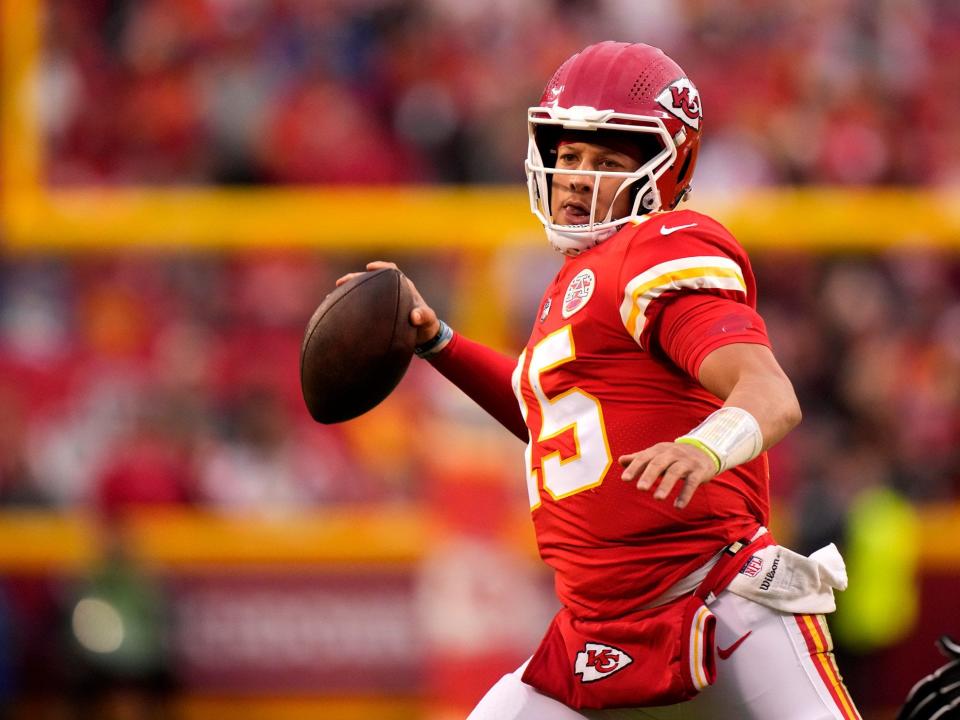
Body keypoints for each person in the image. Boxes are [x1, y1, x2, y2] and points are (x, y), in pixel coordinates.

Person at [339, 41, 861, 719]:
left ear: (668, 170)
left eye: (608, 161)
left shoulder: (659, 247)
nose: (581, 176)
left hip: (716, 602)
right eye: (572, 156)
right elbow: (552, 419)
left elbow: (770, 395)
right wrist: (438, 342)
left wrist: (703, 447)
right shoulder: (573, 285)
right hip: (594, 628)